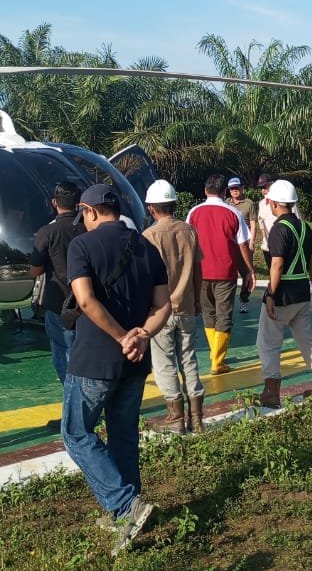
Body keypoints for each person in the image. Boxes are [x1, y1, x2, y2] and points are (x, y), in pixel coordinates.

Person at [63, 183, 170, 555]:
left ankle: (125, 505)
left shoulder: (81, 246)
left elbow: (86, 300)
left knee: (76, 432)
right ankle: (130, 510)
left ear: (89, 211)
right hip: (136, 360)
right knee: (123, 434)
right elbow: (163, 306)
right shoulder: (146, 247)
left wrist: (122, 335)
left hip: (94, 358)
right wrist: (141, 336)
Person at [256, 179, 312, 409]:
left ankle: (271, 393)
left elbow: (277, 264)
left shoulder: (279, 229)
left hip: (283, 295)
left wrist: (270, 294)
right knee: (307, 340)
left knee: (268, 342)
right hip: (301, 292)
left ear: (275, 204)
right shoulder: (304, 227)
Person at [142, 179, 205, 434]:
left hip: (160, 310)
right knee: (189, 360)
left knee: (164, 363)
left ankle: (176, 419)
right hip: (187, 305)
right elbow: (198, 269)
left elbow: (145, 277)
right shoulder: (189, 231)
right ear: (175, 204)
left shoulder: (149, 236)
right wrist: (198, 298)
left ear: (151, 208)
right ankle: (198, 417)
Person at [186, 174, 255, 374]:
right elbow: (243, 245)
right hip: (226, 272)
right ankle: (218, 361)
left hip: (201, 271)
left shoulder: (193, 212)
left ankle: (214, 354)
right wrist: (249, 271)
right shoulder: (232, 212)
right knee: (224, 315)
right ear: (225, 191)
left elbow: (188, 240)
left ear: (205, 191)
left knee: (208, 313)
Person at [29, 182, 82, 383]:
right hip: (88, 303)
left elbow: (35, 270)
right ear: (77, 203)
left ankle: (73, 409)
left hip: (58, 303)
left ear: (54, 203)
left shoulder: (47, 232)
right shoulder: (88, 228)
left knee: (63, 356)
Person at [226, 177, 259, 312]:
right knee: (228, 272)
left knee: (246, 273)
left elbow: (253, 223)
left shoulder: (248, 203)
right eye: (232, 188)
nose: (234, 190)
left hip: (244, 243)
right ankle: (227, 300)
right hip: (230, 244)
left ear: (242, 188)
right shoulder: (226, 203)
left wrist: (252, 241)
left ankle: (244, 299)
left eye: (237, 188)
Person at [255, 171, 302, 256]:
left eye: (266, 186)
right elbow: (261, 224)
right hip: (269, 247)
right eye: (261, 188)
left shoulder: (286, 203)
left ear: (273, 185)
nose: (263, 190)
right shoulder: (261, 204)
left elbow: (298, 223)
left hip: (287, 245)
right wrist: (266, 241)